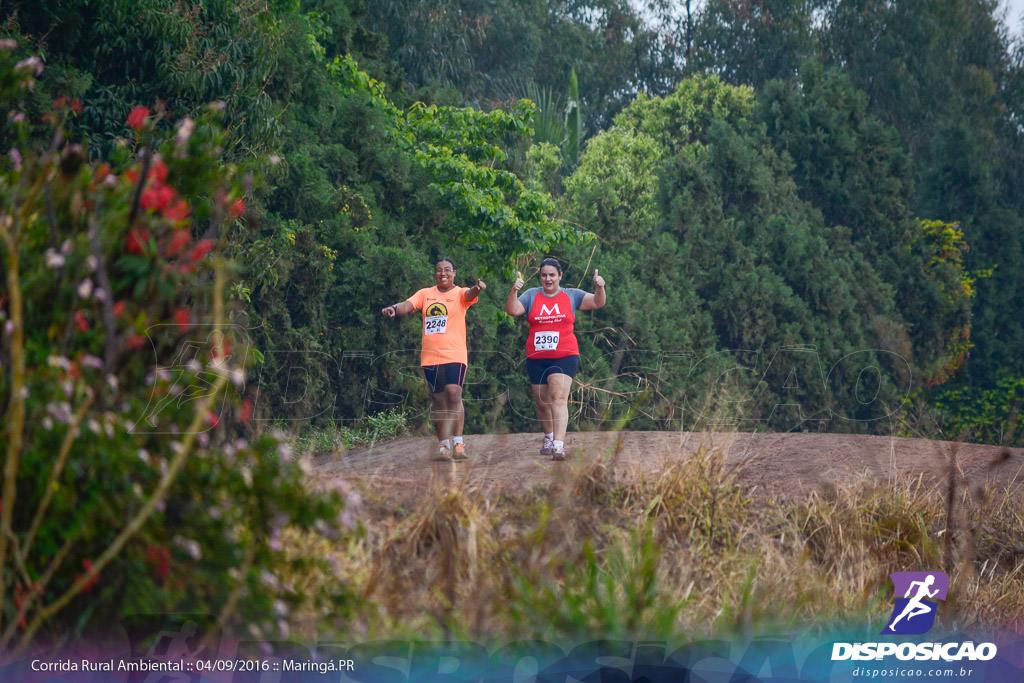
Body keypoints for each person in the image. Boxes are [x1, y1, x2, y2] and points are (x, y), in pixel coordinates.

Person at [382, 258, 485, 460]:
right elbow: (407, 304)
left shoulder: (460, 294)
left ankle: (458, 443)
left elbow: (470, 294)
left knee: (453, 394)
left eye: (447, 270)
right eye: (439, 270)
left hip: (455, 354)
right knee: (438, 399)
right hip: (430, 357)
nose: (443, 273)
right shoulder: (426, 294)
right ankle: (443, 445)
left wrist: (477, 288)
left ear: (454, 272)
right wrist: (394, 308)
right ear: (435, 273)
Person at [505, 258, 606, 460]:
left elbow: (597, 302)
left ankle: (559, 445)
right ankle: (549, 437)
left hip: (565, 355)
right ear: (540, 277)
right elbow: (513, 310)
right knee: (542, 402)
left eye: (552, 275)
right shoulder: (532, 295)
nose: (548, 279)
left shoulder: (571, 295)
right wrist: (514, 291)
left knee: (558, 397)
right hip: (536, 356)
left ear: (560, 276)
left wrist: (599, 287)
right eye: (544, 275)